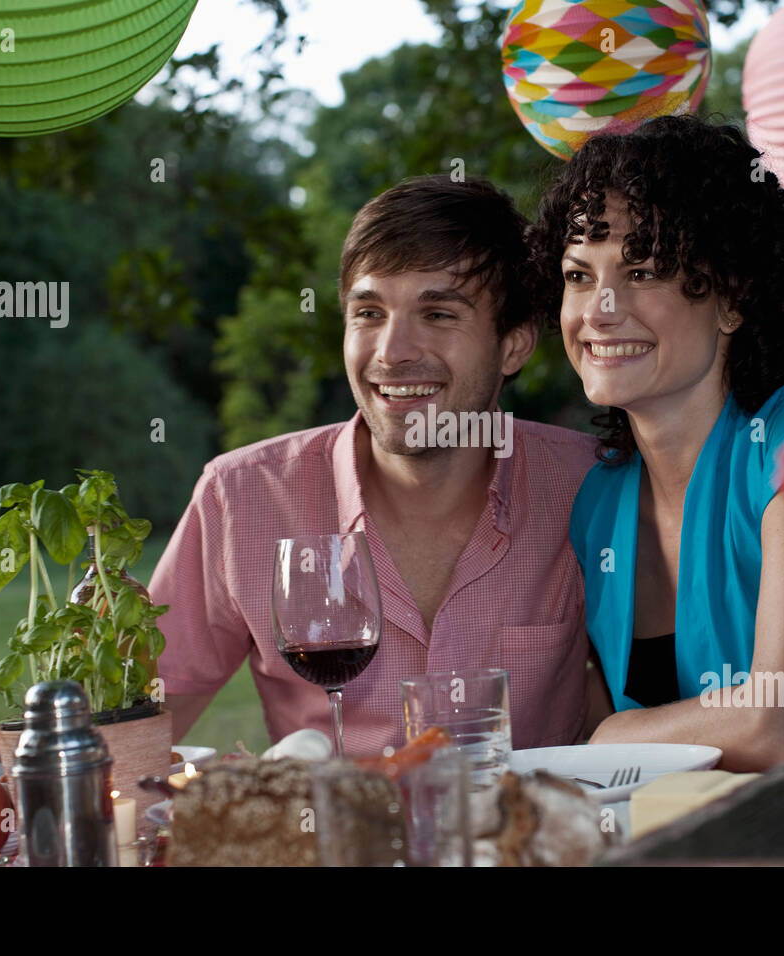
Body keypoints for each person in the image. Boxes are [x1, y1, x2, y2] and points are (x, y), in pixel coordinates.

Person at [149, 174, 606, 755]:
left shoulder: (589, 486)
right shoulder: (240, 498)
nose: (392, 352)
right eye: (368, 313)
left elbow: (638, 706)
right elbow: (140, 723)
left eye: (438, 314)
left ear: (513, 344)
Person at [525, 115, 784, 771]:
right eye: (579, 275)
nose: (600, 310)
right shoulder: (598, 506)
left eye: (643, 271)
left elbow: (782, 722)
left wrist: (608, 738)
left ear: (732, 298)